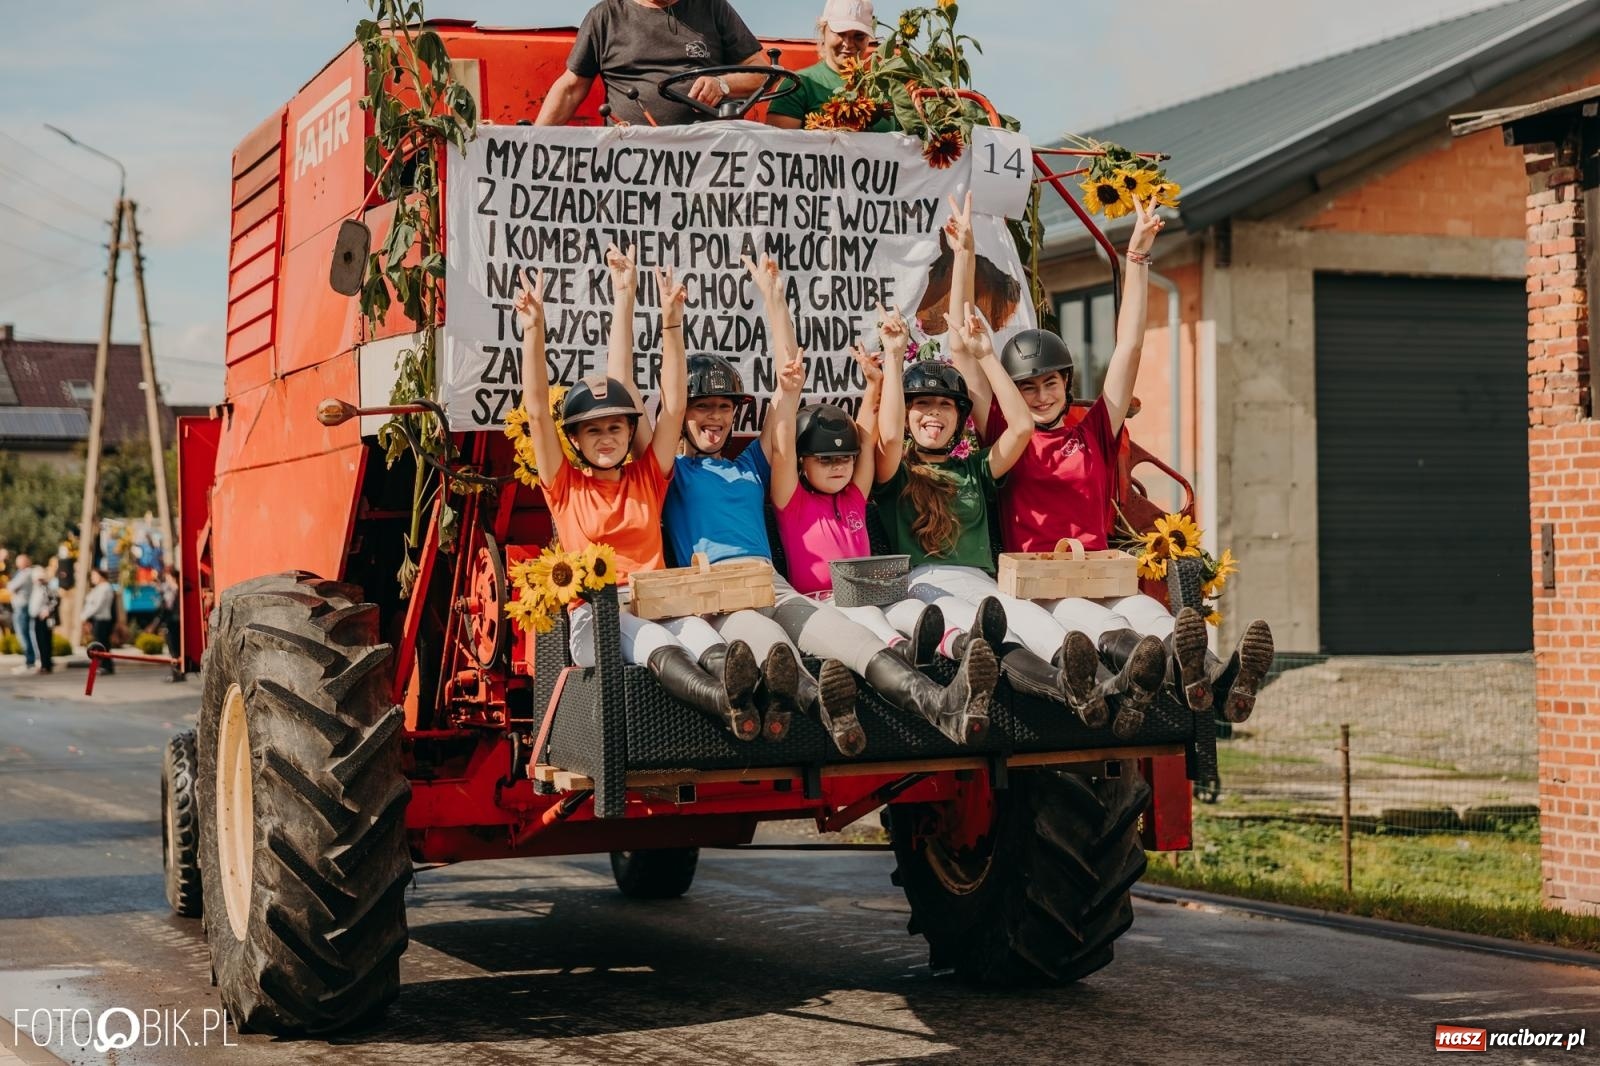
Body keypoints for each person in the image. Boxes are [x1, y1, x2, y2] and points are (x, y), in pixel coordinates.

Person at [947, 192, 1276, 725]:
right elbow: (963, 349)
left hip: (1103, 573)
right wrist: (963, 254)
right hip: (1043, 589)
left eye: (1049, 383)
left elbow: (1128, 350)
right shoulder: (1005, 431)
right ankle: (1152, 679)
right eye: (1027, 387)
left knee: (1150, 612)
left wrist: (1138, 260)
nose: (1040, 396)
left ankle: (1218, 679)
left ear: (1066, 382)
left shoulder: (1095, 427)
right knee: (1091, 621)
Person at [874, 301, 1170, 737]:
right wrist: (895, 356)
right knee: (982, 619)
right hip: (928, 581)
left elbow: (1020, 428)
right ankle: (1081, 689)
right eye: (922, 406)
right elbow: (891, 433)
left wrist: (987, 354)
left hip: (989, 579)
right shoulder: (895, 471)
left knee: (1035, 623)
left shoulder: (975, 469)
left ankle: (1126, 684)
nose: (932, 415)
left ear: (961, 420)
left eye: (944, 406)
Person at [514, 262, 776, 742]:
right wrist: (534, 331)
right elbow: (535, 410)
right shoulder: (563, 485)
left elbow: (674, 405)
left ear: (630, 431)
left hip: (660, 604)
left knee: (707, 638)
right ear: (574, 438)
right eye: (593, 429)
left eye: (615, 427)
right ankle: (727, 705)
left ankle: (750, 700)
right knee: (657, 638)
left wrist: (670, 322)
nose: (607, 438)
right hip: (597, 621)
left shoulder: (647, 478)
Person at [605, 245, 852, 745]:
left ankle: (842, 698)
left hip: (770, 585)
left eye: (723, 406)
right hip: (714, 598)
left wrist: (773, 296)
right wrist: (625, 297)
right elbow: (623, 391)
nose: (714, 417)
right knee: (770, 644)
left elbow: (789, 387)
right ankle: (818, 706)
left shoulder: (750, 466)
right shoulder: (668, 471)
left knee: (825, 627)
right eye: (701, 407)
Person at [756, 265, 998, 747]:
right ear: (803, 464)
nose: (839, 466)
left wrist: (886, 366)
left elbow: (880, 434)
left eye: (845, 458)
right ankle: (922, 677)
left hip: (883, 595)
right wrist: (776, 310)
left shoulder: (854, 492)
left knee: (912, 608)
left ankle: (965, 652)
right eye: (825, 460)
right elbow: (783, 433)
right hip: (832, 604)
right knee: (873, 621)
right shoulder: (789, 498)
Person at [537, 0, 772, 128]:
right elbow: (570, 88)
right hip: (631, 162)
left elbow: (763, 73)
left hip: (706, 158)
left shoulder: (712, 7)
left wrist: (722, 84)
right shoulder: (605, 15)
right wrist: (531, 143)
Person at [765, 0, 894, 132]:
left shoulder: (883, 88)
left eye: (859, 36)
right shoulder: (798, 84)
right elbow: (778, 145)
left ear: (868, 39)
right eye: (840, 33)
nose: (848, 44)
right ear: (823, 31)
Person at [28, 559, 59, 676]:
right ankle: (43, 664)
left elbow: (54, 601)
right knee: (40, 642)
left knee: (45, 642)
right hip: (36, 617)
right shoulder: (36, 588)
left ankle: (46, 665)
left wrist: (46, 611)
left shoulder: (46, 588)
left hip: (44, 619)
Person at [83, 569, 116, 675]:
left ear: (101, 576)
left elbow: (98, 605)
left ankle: (106, 665)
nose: (92, 578)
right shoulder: (98, 588)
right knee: (100, 643)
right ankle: (103, 665)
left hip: (103, 619)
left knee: (102, 644)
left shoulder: (105, 588)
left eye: (94, 575)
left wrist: (84, 616)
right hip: (97, 619)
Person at [8, 554, 35, 673]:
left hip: (22, 607)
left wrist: (11, 586)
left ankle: (30, 661)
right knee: (23, 634)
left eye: (19, 561)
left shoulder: (26, 573)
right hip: (20, 607)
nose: (17, 564)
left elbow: (11, 586)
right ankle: (29, 660)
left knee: (23, 635)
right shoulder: (22, 573)